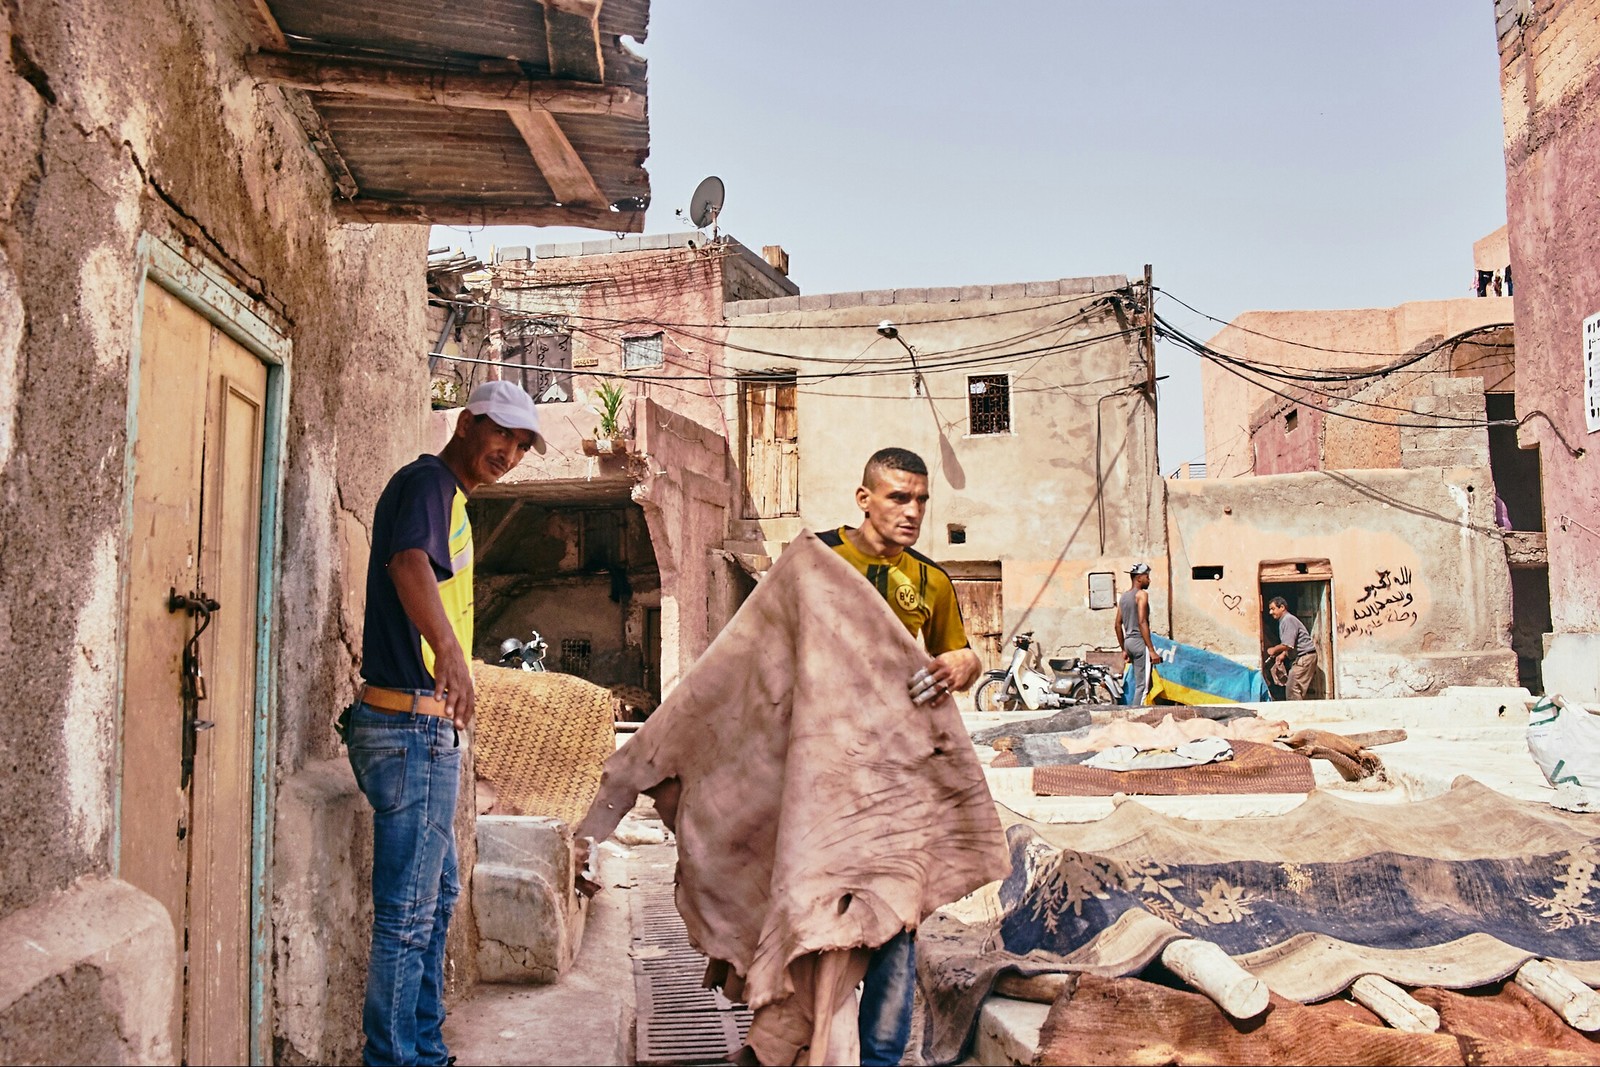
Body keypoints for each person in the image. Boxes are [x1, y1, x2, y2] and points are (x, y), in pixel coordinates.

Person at [343, 380, 544, 1066]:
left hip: (418, 729)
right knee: (406, 913)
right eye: (501, 435)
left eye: (521, 444)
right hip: (408, 728)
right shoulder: (430, 482)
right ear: (465, 422)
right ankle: (396, 1056)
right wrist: (453, 654)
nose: (509, 452)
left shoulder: (445, 496)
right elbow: (407, 566)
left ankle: (423, 1047)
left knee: (436, 895)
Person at [817, 446, 981, 1067]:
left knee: (897, 918)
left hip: (898, 774)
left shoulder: (931, 580)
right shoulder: (817, 559)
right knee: (821, 915)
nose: (912, 512)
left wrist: (965, 664)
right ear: (865, 500)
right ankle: (804, 1046)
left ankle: (881, 1060)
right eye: (897, 498)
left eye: (921, 501)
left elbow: (961, 658)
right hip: (823, 771)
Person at [1116, 562, 1157, 705]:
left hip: (1129, 643)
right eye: (1147, 577)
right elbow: (1142, 622)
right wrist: (1151, 650)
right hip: (1140, 643)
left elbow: (1117, 625)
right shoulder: (1142, 595)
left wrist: (1123, 649)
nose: (1149, 580)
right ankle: (1135, 720)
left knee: (1144, 683)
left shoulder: (1124, 597)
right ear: (1139, 578)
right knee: (1143, 687)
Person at [1265, 596, 1317, 701]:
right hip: (1301, 658)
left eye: (1273, 608)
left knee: (1293, 688)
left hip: (1304, 658)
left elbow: (1288, 644)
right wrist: (1283, 655)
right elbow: (1291, 643)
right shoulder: (1284, 620)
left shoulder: (1288, 620)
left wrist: (1273, 649)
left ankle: (1298, 715)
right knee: (1293, 687)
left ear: (1282, 607)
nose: (1270, 612)